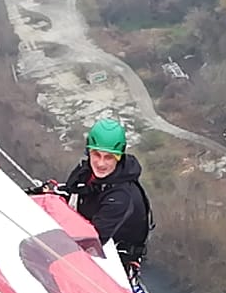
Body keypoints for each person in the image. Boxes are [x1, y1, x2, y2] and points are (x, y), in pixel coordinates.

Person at [49, 117, 152, 273]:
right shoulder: (85, 172)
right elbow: (72, 191)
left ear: (118, 158)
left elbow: (91, 243)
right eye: (96, 154)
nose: (101, 163)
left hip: (115, 256)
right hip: (88, 229)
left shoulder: (121, 197)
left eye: (109, 157)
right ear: (89, 152)